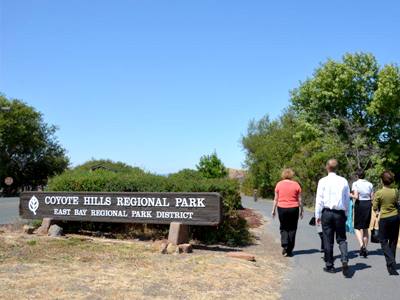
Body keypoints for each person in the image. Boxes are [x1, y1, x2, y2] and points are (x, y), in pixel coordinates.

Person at [315, 158, 350, 276]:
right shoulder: (343, 181)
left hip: (327, 212)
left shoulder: (323, 181)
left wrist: (317, 214)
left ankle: (330, 265)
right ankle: (344, 258)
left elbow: (319, 199)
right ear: (337, 168)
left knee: (328, 239)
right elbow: (346, 199)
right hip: (339, 213)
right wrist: (346, 213)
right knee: (341, 238)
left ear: (327, 167)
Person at [271, 167, 304, 256]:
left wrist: (273, 209)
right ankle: (289, 248)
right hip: (294, 208)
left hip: (282, 208)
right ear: (291, 174)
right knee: (292, 228)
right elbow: (299, 199)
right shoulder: (296, 185)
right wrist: (302, 209)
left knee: (283, 227)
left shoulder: (279, 184)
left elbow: (276, 198)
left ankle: (285, 244)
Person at [373, 171, 399, 275]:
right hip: (395, 217)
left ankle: (391, 260)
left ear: (381, 181)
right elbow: (396, 202)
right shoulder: (395, 191)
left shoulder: (379, 193)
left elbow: (375, 207)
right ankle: (390, 264)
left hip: (384, 218)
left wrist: (376, 211)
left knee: (383, 241)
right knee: (393, 241)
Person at [350, 169, 374, 257]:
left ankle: (361, 245)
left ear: (357, 176)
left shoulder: (355, 184)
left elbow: (356, 196)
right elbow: (372, 198)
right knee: (365, 228)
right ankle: (365, 249)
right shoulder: (370, 184)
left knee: (357, 227)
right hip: (368, 204)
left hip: (360, 204)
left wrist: (350, 195)